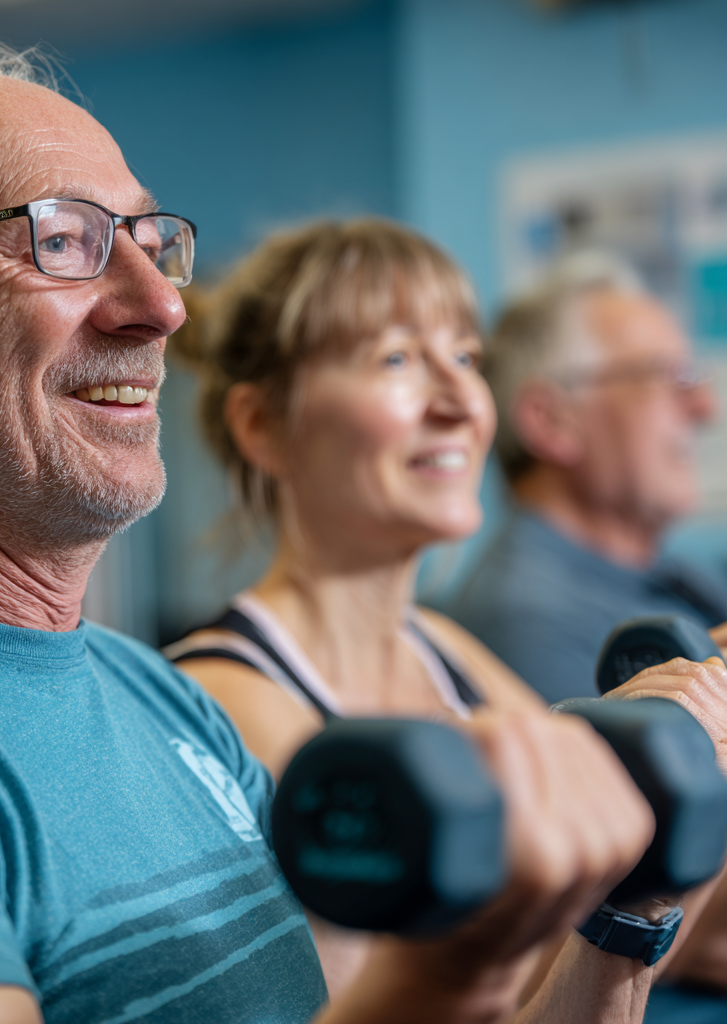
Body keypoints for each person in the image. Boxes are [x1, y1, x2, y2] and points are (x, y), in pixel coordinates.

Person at [0, 40, 706, 1024]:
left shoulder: (159, 696)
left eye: (148, 241)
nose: (162, 307)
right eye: (62, 240)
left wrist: (628, 910)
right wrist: (448, 979)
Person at [163, 220, 727, 1012]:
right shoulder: (227, 701)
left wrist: (692, 754)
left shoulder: (447, 650)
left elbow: (594, 961)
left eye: (464, 358)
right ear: (262, 425)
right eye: (396, 359)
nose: (463, 402)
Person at [442, 255, 725, 704]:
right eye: (669, 376)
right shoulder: (530, 624)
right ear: (551, 420)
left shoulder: (660, 571)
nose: (704, 408)